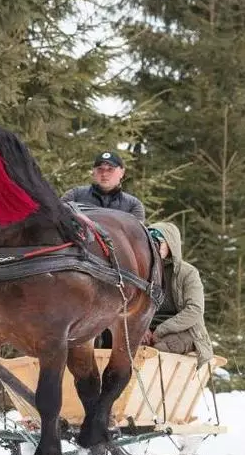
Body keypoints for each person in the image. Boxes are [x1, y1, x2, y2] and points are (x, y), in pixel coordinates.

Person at [142, 221, 214, 367]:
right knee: (125, 348)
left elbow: (195, 310)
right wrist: (142, 328)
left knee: (160, 349)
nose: (154, 246)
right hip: (148, 329)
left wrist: (161, 330)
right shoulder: (145, 272)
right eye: (151, 242)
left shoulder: (187, 273)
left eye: (159, 242)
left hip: (185, 331)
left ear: (170, 244)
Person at [62, 151, 146, 223]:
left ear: (122, 172)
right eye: (100, 169)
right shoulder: (74, 196)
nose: (104, 174)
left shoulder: (133, 205)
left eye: (110, 169)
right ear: (93, 171)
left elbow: (137, 238)